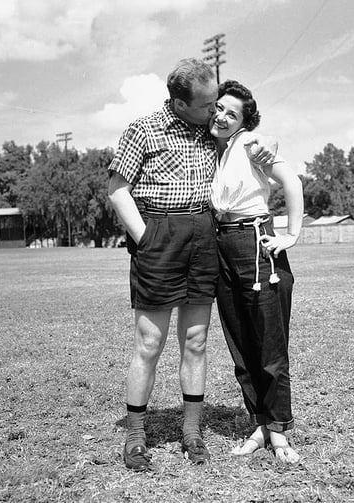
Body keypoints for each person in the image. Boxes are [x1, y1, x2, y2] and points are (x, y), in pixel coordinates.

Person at [107, 59, 276, 471]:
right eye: (206, 106)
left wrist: (267, 145)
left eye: (217, 104)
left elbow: (245, 138)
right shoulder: (143, 128)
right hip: (160, 237)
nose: (214, 111)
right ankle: (134, 437)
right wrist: (145, 237)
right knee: (150, 343)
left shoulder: (209, 127)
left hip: (204, 233)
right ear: (179, 103)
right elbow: (117, 190)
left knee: (196, 340)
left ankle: (192, 432)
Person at [209, 80, 303, 463]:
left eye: (232, 113)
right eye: (219, 108)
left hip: (253, 241)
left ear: (244, 121)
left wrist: (291, 234)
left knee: (268, 342)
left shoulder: (250, 143)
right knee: (241, 340)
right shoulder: (213, 147)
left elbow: (291, 182)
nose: (222, 116)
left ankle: (279, 431)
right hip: (222, 244)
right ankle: (260, 425)